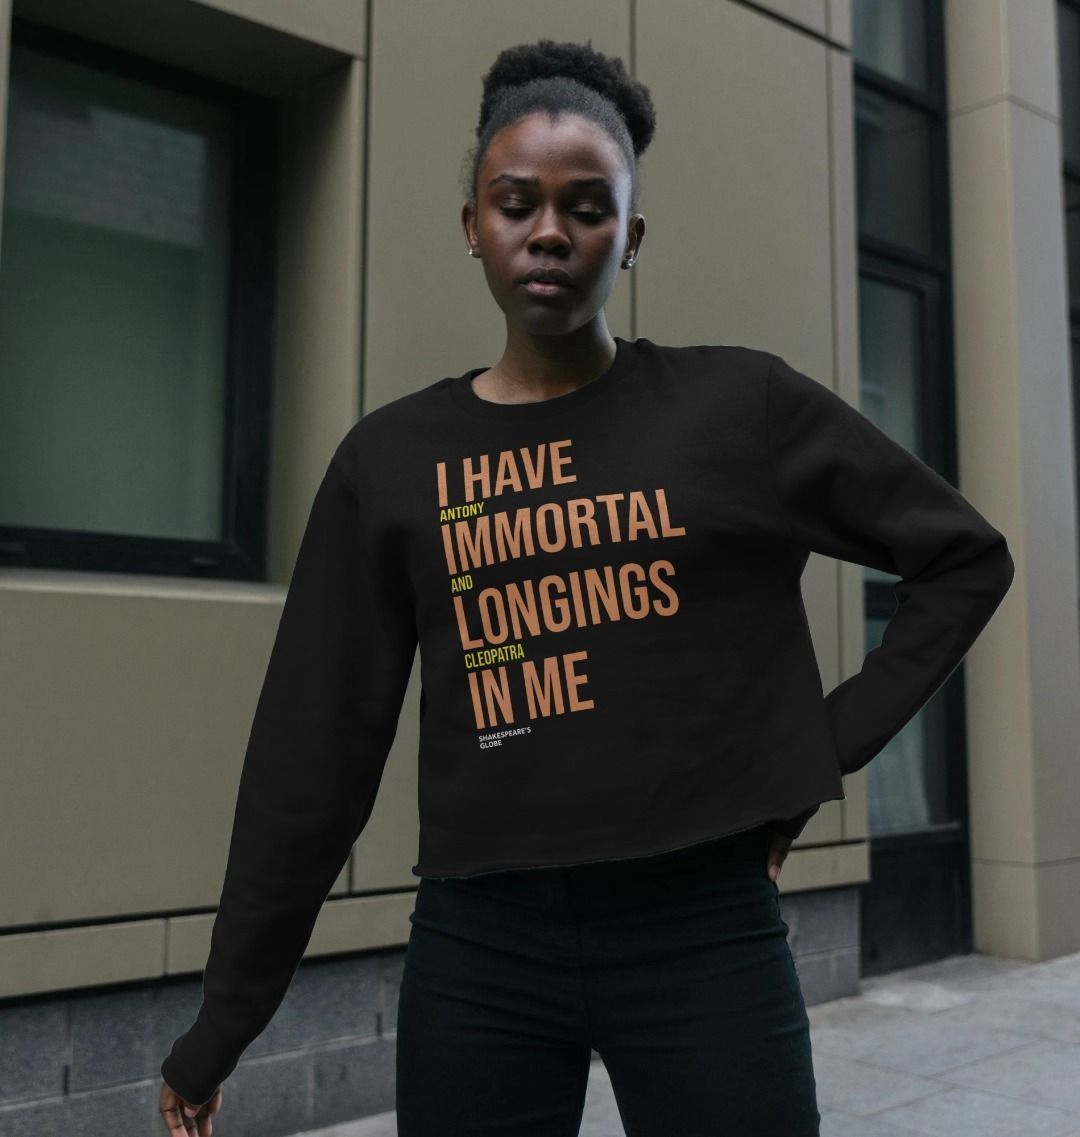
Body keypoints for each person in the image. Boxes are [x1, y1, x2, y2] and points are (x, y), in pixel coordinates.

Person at [159, 37, 1015, 1137]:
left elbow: (963, 558)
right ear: (472, 224)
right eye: (516, 203)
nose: (550, 232)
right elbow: (310, 759)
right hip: (481, 946)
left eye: (587, 206)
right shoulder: (392, 463)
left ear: (632, 236)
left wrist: (817, 746)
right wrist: (223, 1022)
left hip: (704, 934)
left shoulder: (738, 409)